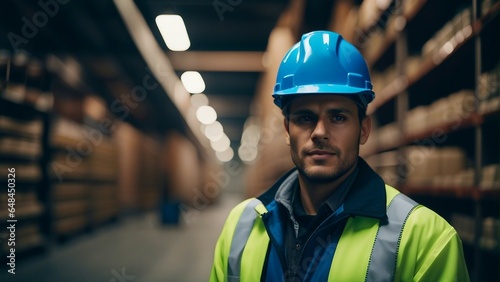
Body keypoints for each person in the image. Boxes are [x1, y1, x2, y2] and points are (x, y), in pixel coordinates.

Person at [210, 30, 469, 282]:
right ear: (287, 131)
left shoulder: (425, 239)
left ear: (363, 130)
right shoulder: (240, 227)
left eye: (338, 117)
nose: (320, 132)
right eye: (305, 118)